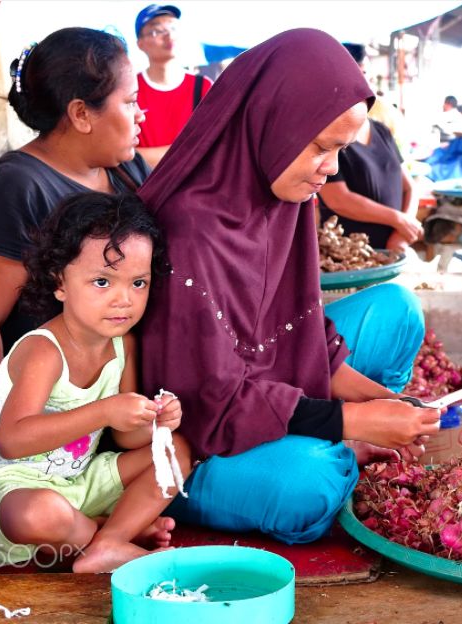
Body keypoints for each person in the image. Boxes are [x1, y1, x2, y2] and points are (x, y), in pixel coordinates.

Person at [137, 28, 440, 544]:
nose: (333, 168)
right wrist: (351, 424)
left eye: (341, 149)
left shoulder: (288, 195)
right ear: (271, 121)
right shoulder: (191, 226)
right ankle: (335, 452)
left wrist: (387, 405)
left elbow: (305, 335)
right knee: (312, 485)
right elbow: (209, 403)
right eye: (323, 147)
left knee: (398, 307)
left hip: (266, 389)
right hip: (191, 443)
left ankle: (347, 442)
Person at [0, 192, 192, 573]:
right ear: (59, 283)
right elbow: (13, 439)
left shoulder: (124, 346)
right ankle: (101, 536)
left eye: (139, 283)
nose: (124, 299)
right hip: (8, 485)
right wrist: (104, 410)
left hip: (78, 480)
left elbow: (126, 439)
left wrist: (155, 422)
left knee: (177, 451)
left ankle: (105, 543)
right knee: (41, 514)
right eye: (103, 282)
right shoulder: (44, 350)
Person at [0, 27, 149, 439]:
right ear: (81, 114)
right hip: (42, 432)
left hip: (117, 413)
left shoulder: (125, 170)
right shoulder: (12, 190)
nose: (141, 114)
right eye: (130, 102)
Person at [317, 45, 422, 253]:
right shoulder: (324, 134)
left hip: (391, 252)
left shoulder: (381, 130)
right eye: (354, 75)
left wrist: (403, 230)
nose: (362, 83)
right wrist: (397, 219)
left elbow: (409, 187)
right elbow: (338, 199)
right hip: (347, 258)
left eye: (365, 74)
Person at [134, 4, 213, 168]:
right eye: (157, 31)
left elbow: (214, 147)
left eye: (173, 27)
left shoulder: (203, 86)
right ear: (140, 44)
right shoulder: (130, 90)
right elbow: (126, 156)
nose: (169, 35)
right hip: (145, 189)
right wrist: (189, 152)